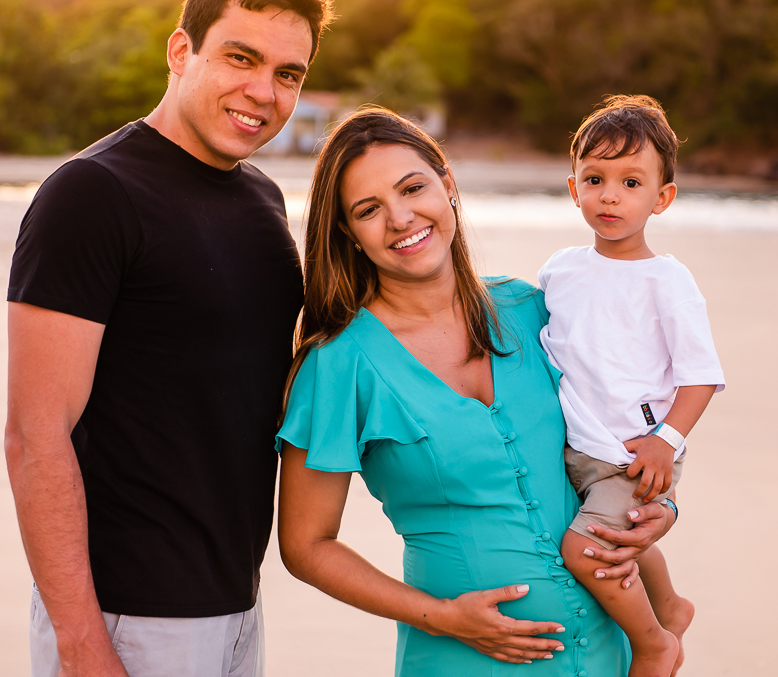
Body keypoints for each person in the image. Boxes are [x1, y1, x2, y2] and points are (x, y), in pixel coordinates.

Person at [4, 0, 334, 677]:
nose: (264, 92)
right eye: (240, 58)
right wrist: (81, 642)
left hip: (235, 607)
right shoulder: (93, 194)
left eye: (287, 73)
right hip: (127, 618)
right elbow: (35, 436)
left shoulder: (264, 202)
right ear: (182, 51)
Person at [277, 107, 677, 676]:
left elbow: (625, 424)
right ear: (349, 233)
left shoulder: (534, 310)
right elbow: (306, 546)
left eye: (412, 188)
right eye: (368, 209)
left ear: (448, 185)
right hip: (461, 660)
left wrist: (661, 507)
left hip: (609, 656)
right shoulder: (337, 365)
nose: (400, 218)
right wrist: (442, 617)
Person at [541, 95, 725, 677]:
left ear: (661, 198)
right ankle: (671, 607)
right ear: (573, 188)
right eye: (594, 179)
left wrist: (665, 441)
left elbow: (700, 376)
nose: (610, 196)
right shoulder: (560, 270)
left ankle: (652, 642)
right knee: (624, 542)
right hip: (576, 447)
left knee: (587, 549)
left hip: (634, 455)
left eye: (630, 182)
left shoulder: (666, 281)